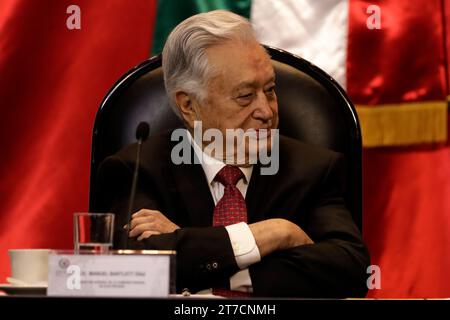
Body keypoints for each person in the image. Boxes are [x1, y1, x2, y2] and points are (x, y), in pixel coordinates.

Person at [96, 10, 370, 298]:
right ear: (189, 105)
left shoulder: (312, 169)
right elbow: (132, 266)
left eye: (270, 90)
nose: (266, 111)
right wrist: (276, 233)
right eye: (245, 96)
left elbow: (349, 268)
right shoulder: (138, 168)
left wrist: (194, 252)